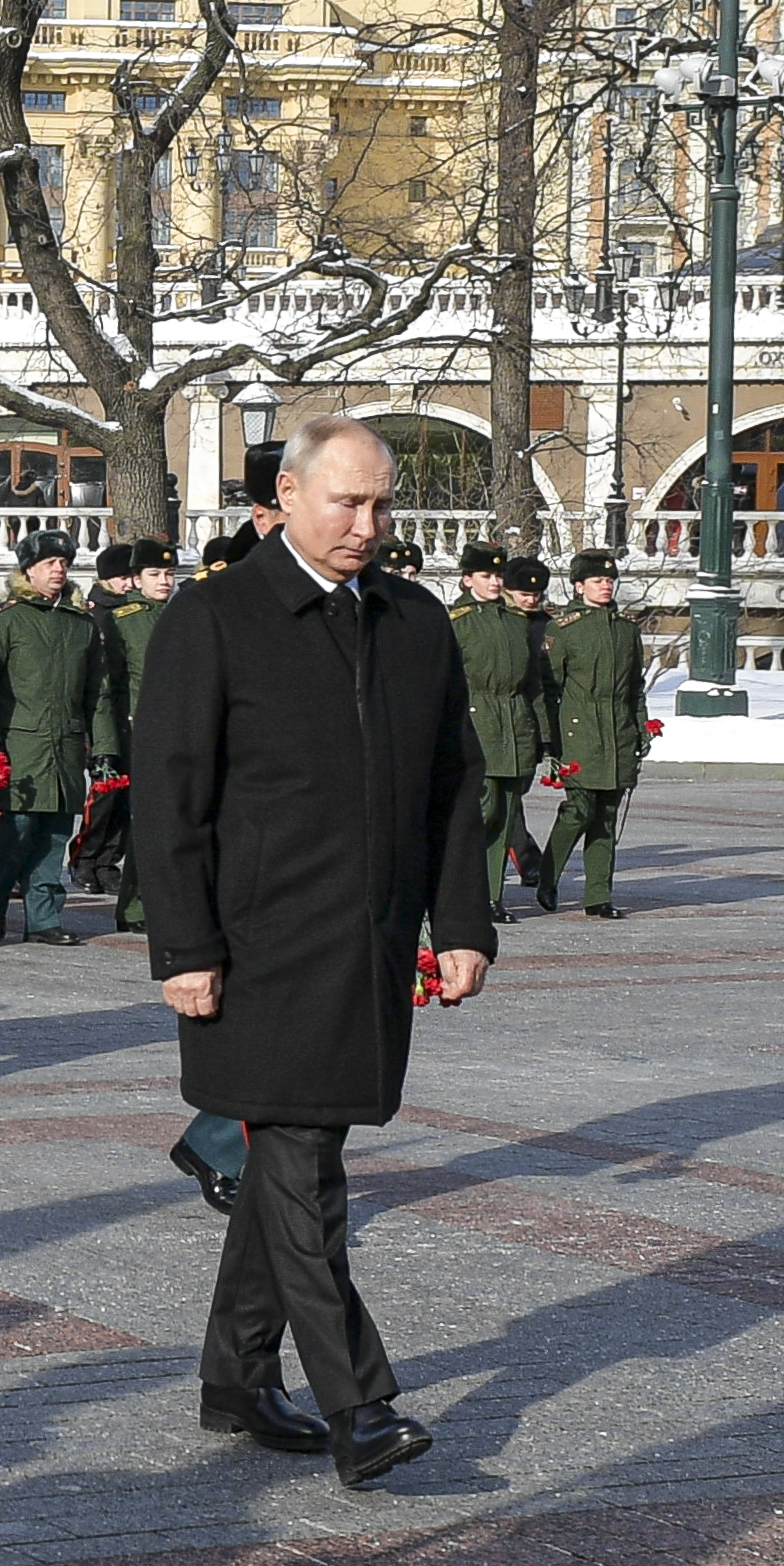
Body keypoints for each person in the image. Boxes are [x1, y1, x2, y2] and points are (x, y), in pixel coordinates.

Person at [131, 413, 495, 1489]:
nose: (366, 524)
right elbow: (172, 800)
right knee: (299, 1170)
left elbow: (453, 783)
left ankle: (236, 1381)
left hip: (368, 950)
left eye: (382, 504)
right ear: (283, 498)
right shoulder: (214, 618)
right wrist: (184, 947)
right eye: (346, 502)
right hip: (255, 952)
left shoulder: (414, 619)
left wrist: (461, 924)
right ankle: (361, 1405)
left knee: (300, 1159)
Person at [0, 527, 118, 945]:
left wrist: (104, 748)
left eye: (64, 563)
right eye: (49, 563)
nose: (59, 570)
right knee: (17, 831)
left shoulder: (81, 626)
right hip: (21, 745)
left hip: (66, 745)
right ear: (28, 570)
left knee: (55, 834)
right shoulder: (6, 620)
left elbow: (99, 693)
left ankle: (43, 919)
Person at [541, 549, 648, 917]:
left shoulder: (626, 630)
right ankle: (547, 876)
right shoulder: (564, 630)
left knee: (605, 815)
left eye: (609, 580)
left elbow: (636, 686)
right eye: (597, 581)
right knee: (578, 810)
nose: (605, 586)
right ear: (579, 586)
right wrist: (551, 739)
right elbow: (550, 688)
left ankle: (598, 896)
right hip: (579, 731)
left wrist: (640, 728)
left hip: (617, 731)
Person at [447, 542, 545, 922]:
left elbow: (532, 684)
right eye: (486, 575)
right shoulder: (457, 622)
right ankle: (459, 891)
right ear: (467, 579)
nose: (494, 582)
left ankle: (491, 896)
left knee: (504, 816)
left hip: (514, 725)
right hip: (476, 725)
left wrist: (544, 736)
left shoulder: (516, 621)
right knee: (482, 812)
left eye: (498, 576)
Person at [91, 539, 176, 931]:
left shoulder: (187, 615)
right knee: (148, 825)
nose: (164, 581)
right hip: (141, 733)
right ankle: (136, 906)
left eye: (169, 573)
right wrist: (108, 745)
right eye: (155, 574)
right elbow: (108, 688)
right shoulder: (123, 621)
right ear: (136, 579)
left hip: (186, 734)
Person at [497, 553, 557, 904]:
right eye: (523, 593)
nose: (531, 599)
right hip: (497, 718)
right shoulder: (500, 622)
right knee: (503, 798)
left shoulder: (546, 625)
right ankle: (527, 858)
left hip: (530, 721)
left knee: (514, 793)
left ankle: (524, 856)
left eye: (536, 594)